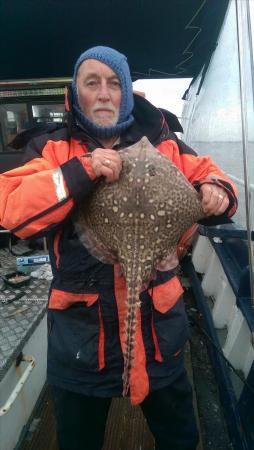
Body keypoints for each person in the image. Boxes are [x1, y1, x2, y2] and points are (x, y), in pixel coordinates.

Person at [0, 46, 237, 450]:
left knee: (179, 438)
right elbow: (11, 208)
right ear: (76, 94)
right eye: (92, 83)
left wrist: (218, 189)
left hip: (160, 337)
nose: (104, 93)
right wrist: (84, 169)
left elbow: (209, 174)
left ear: (127, 92)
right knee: (79, 440)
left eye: (114, 84)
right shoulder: (53, 149)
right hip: (81, 344)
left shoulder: (167, 146)